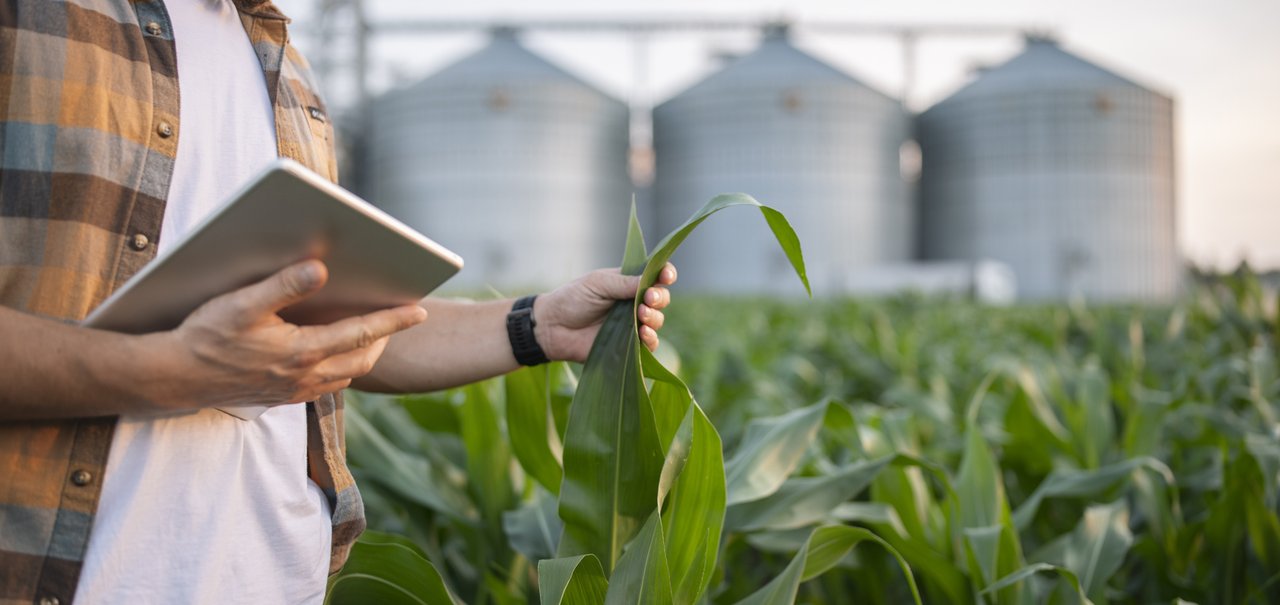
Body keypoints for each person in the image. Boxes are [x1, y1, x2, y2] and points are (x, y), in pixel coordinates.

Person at [0, 1, 674, 603]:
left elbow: (330, 323)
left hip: (280, 577)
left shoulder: (282, 63)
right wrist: (174, 372)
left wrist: (539, 325)